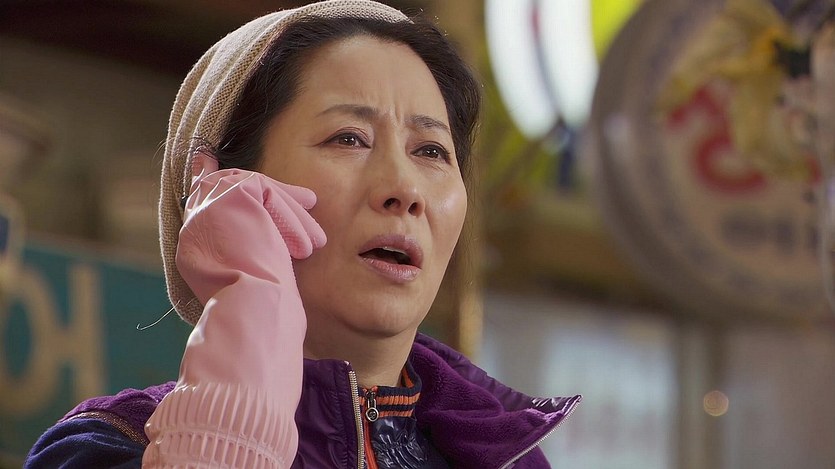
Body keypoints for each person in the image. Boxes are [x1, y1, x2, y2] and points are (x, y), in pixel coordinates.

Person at [24, 1, 580, 467]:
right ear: (218, 186)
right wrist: (252, 307)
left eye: (431, 151)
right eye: (348, 139)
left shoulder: (510, 459)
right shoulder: (104, 447)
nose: (405, 189)